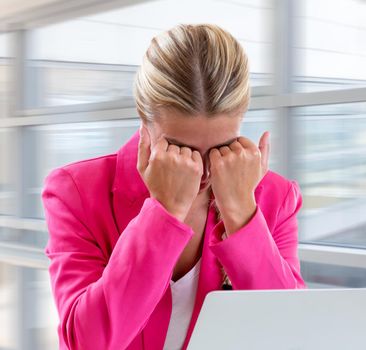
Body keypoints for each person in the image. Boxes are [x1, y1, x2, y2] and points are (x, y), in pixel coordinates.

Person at [42, 23, 306, 350]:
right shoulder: (76, 192)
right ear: (144, 119)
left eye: (222, 148)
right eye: (181, 150)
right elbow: (86, 343)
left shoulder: (275, 197)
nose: (203, 171)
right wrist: (162, 215)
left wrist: (242, 214)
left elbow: (291, 331)